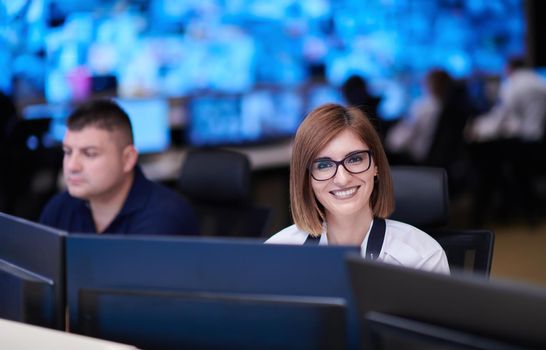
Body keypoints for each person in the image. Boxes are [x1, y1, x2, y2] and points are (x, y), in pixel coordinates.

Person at [266, 103, 449, 274]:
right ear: (306, 179)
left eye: (355, 159)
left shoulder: (422, 258)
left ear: (375, 165)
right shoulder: (275, 255)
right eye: (323, 165)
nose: (343, 179)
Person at [39, 99, 199, 235]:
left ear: (128, 159)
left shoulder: (164, 219)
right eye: (68, 152)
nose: (72, 166)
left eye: (90, 153)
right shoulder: (59, 208)